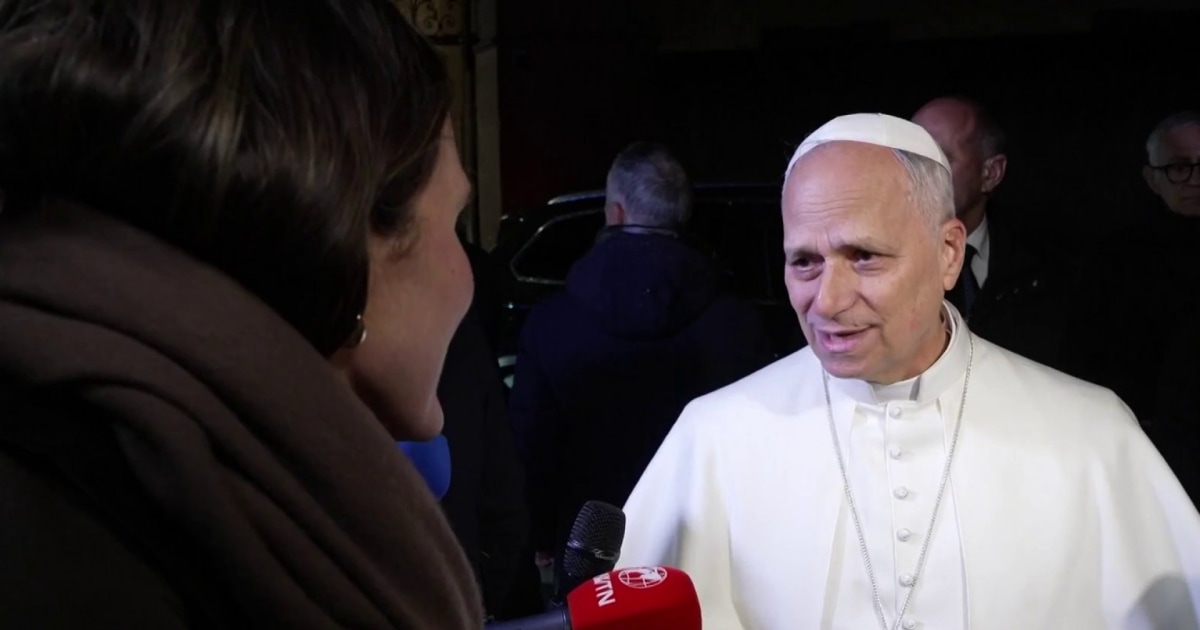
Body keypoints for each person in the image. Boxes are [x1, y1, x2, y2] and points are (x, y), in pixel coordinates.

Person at [0, 1, 482, 628]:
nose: (466, 276)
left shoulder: (87, 472)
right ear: (348, 237)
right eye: (455, 223)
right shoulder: (92, 565)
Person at [617, 113, 1200, 630]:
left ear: (948, 253)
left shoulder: (1090, 432)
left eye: (863, 256)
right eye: (805, 262)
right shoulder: (716, 435)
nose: (827, 299)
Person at [509, 141, 773, 585]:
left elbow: (533, 446)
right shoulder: (739, 324)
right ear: (681, 215)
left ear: (615, 213)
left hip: (590, 552)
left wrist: (538, 535)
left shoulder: (552, 322)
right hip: (704, 551)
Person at [911, 96, 1068, 369]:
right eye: (910, 156)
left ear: (991, 173)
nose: (916, 171)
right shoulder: (872, 260)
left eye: (940, 157)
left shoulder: (1047, 266)